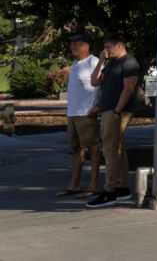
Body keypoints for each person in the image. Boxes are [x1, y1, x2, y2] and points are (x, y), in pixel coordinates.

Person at [85, 34, 146, 208]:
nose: (106, 50)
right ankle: (121, 187)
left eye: (109, 46)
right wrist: (101, 61)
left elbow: (128, 88)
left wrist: (117, 110)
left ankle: (110, 189)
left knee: (110, 148)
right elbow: (95, 81)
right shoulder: (111, 63)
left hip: (118, 111)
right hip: (108, 110)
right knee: (117, 148)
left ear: (119, 45)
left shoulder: (129, 62)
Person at [58, 33, 101, 197]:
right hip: (73, 113)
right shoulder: (76, 64)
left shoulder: (94, 62)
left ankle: (93, 185)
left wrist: (97, 106)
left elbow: (101, 85)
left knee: (93, 149)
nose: (73, 47)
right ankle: (74, 184)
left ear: (87, 46)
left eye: (77, 44)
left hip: (87, 113)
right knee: (76, 149)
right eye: (72, 44)